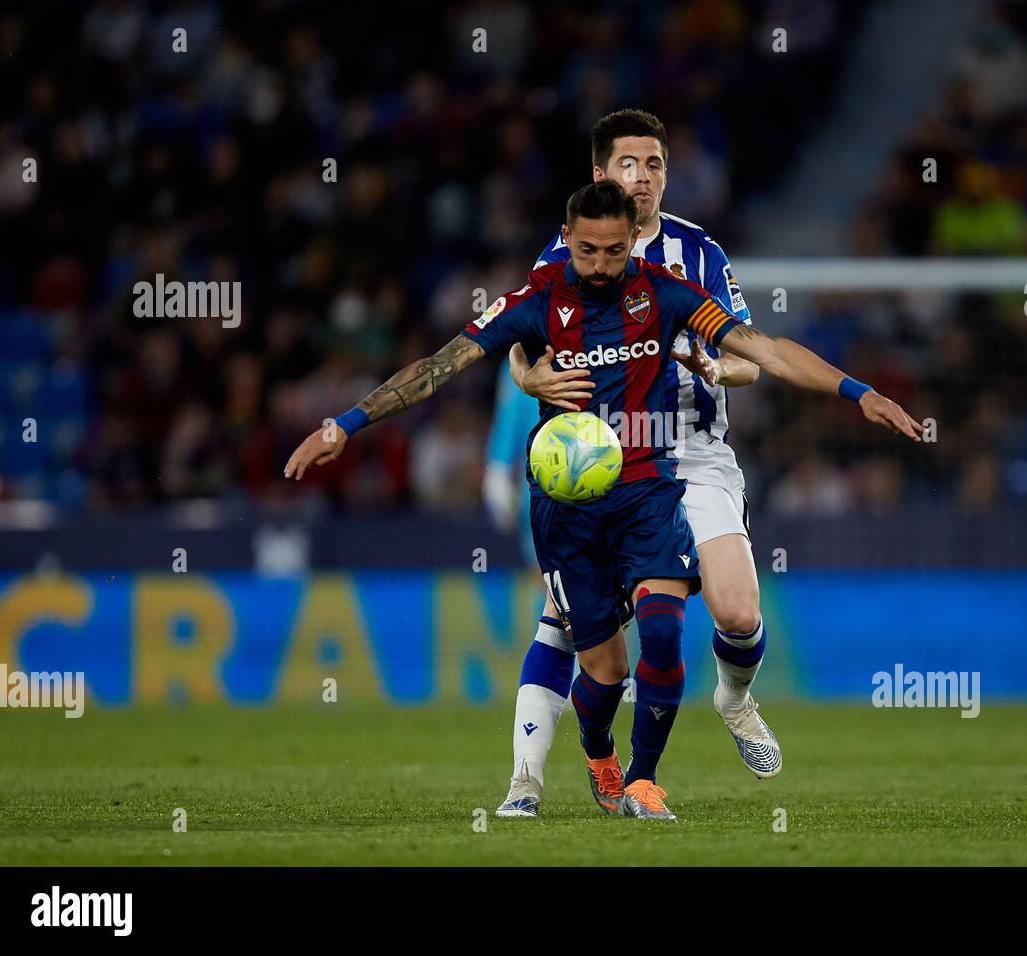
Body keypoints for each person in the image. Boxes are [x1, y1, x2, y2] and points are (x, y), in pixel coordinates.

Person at [284, 181, 924, 820]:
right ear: (567, 241)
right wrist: (344, 424)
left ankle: (644, 782)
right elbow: (440, 364)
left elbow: (765, 351)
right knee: (604, 672)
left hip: (646, 490)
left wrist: (856, 391)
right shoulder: (537, 298)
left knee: (665, 634)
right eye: (587, 251)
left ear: (631, 245)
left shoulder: (664, 292)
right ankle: (598, 752)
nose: (599, 266)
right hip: (566, 506)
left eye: (613, 252)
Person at [493, 109, 781, 819]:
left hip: (696, 451)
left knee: (739, 614)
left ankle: (735, 698)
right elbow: (520, 342)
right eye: (629, 165)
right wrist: (529, 381)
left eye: (654, 165)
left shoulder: (700, 252)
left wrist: (716, 367)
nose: (643, 177)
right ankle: (526, 782)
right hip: (606, 452)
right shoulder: (570, 251)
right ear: (600, 175)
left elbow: (750, 361)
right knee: (564, 623)